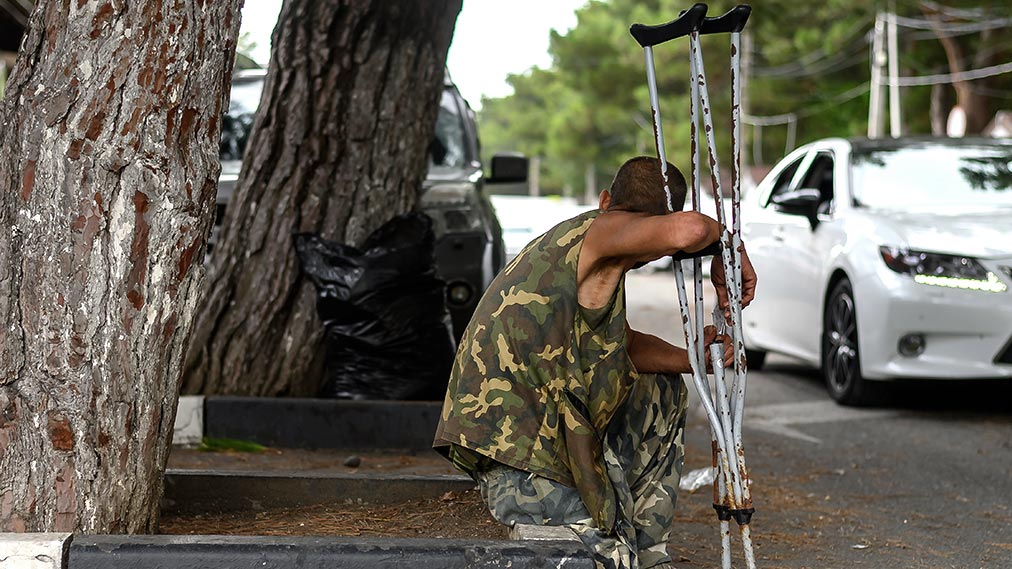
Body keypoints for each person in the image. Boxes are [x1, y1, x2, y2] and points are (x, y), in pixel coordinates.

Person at [433, 156, 757, 569]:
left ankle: (649, 551)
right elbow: (691, 229)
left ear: (607, 197)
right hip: (519, 460)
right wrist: (728, 245)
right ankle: (615, 542)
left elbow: (618, 346)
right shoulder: (598, 232)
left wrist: (693, 360)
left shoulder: (595, 263)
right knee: (605, 558)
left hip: (546, 440)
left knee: (662, 387)